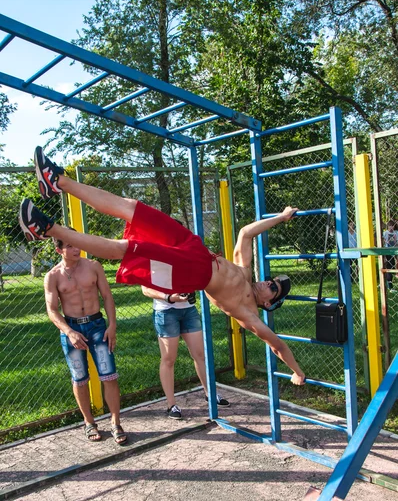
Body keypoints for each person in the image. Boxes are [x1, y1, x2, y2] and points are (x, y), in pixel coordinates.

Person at [19, 147, 306, 386]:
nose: (269, 283)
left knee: (126, 249)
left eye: (274, 289)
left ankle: (47, 228)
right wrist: (280, 217)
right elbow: (246, 233)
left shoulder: (249, 315)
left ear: (269, 304)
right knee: (131, 207)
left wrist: (297, 371)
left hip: (194, 272)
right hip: (195, 248)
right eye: (272, 280)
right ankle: (57, 180)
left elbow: (277, 345)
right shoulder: (244, 271)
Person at [44, 232, 127, 445]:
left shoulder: (94, 266)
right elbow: (52, 310)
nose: (76, 249)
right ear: (58, 250)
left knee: (109, 375)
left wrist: (112, 325)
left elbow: (107, 296)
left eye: (77, 244)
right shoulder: (53, 276)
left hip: (98, 326)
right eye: (70, 246)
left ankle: (116, 422)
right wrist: (69, 332)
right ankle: (89, 422)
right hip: (72, 329)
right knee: (79, 378)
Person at [141, 286, 230, 418]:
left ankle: (210, 394)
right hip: (165, 312)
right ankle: (171, 405)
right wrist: (169, 298)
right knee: (169, 359)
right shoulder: (152, 265)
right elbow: (146, 289)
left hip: (188, 310)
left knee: (200, 355)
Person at [383, 220, 398, 290]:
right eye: (390, 225)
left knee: (393, 266)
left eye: (392, 225)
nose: (391, 227)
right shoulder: (385, 233)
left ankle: (388, 283)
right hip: (387, 251)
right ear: (388, 226)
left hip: (395, 251)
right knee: (389, 267)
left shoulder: (396, 233)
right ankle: (389, 285)